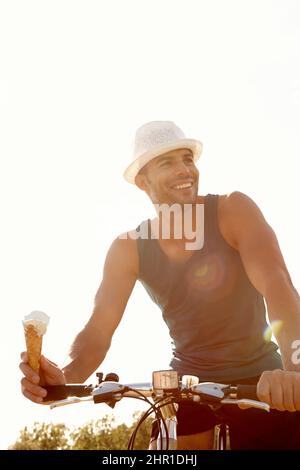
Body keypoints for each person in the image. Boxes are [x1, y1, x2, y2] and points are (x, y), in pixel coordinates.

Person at [20, 121, 300, 449]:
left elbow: (277, 286)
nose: (184, 170)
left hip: (264, 385)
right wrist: (65, 377)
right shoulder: (128, 248)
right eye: (167, 163)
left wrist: (295, 369)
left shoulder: (232, 210)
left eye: (187, 159)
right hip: (188, 390)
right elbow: (97, 333)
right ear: (142, 182)